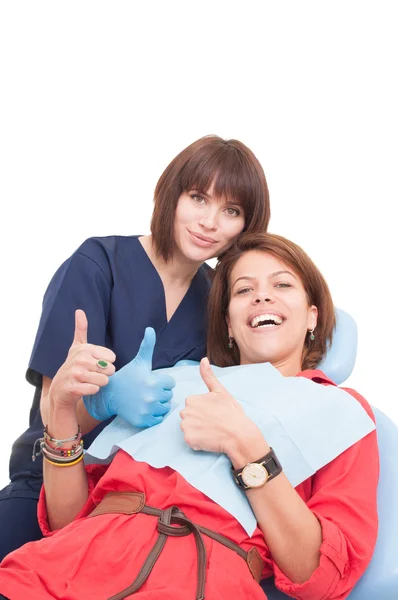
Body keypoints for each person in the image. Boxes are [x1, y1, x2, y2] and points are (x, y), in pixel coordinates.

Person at [0, 233, 378, 600]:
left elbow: (319, 578)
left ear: (312, 316)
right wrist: (63, 413)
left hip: (202, 582)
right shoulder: (175, 380)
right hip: (63, 570)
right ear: (228, 324)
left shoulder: (342, 413)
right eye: (244, 290)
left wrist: (246, 448)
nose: (262, 295)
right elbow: (67, 522)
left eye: (282, 285)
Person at [0, 135, 270, 560]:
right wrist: (105, 401)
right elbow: (55, 411)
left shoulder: (222, 304)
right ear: (170, 194)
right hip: (50, 482)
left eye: (231, 210)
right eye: (198, 198)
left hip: (144, 503)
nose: (210, 222)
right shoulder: (96, 265)